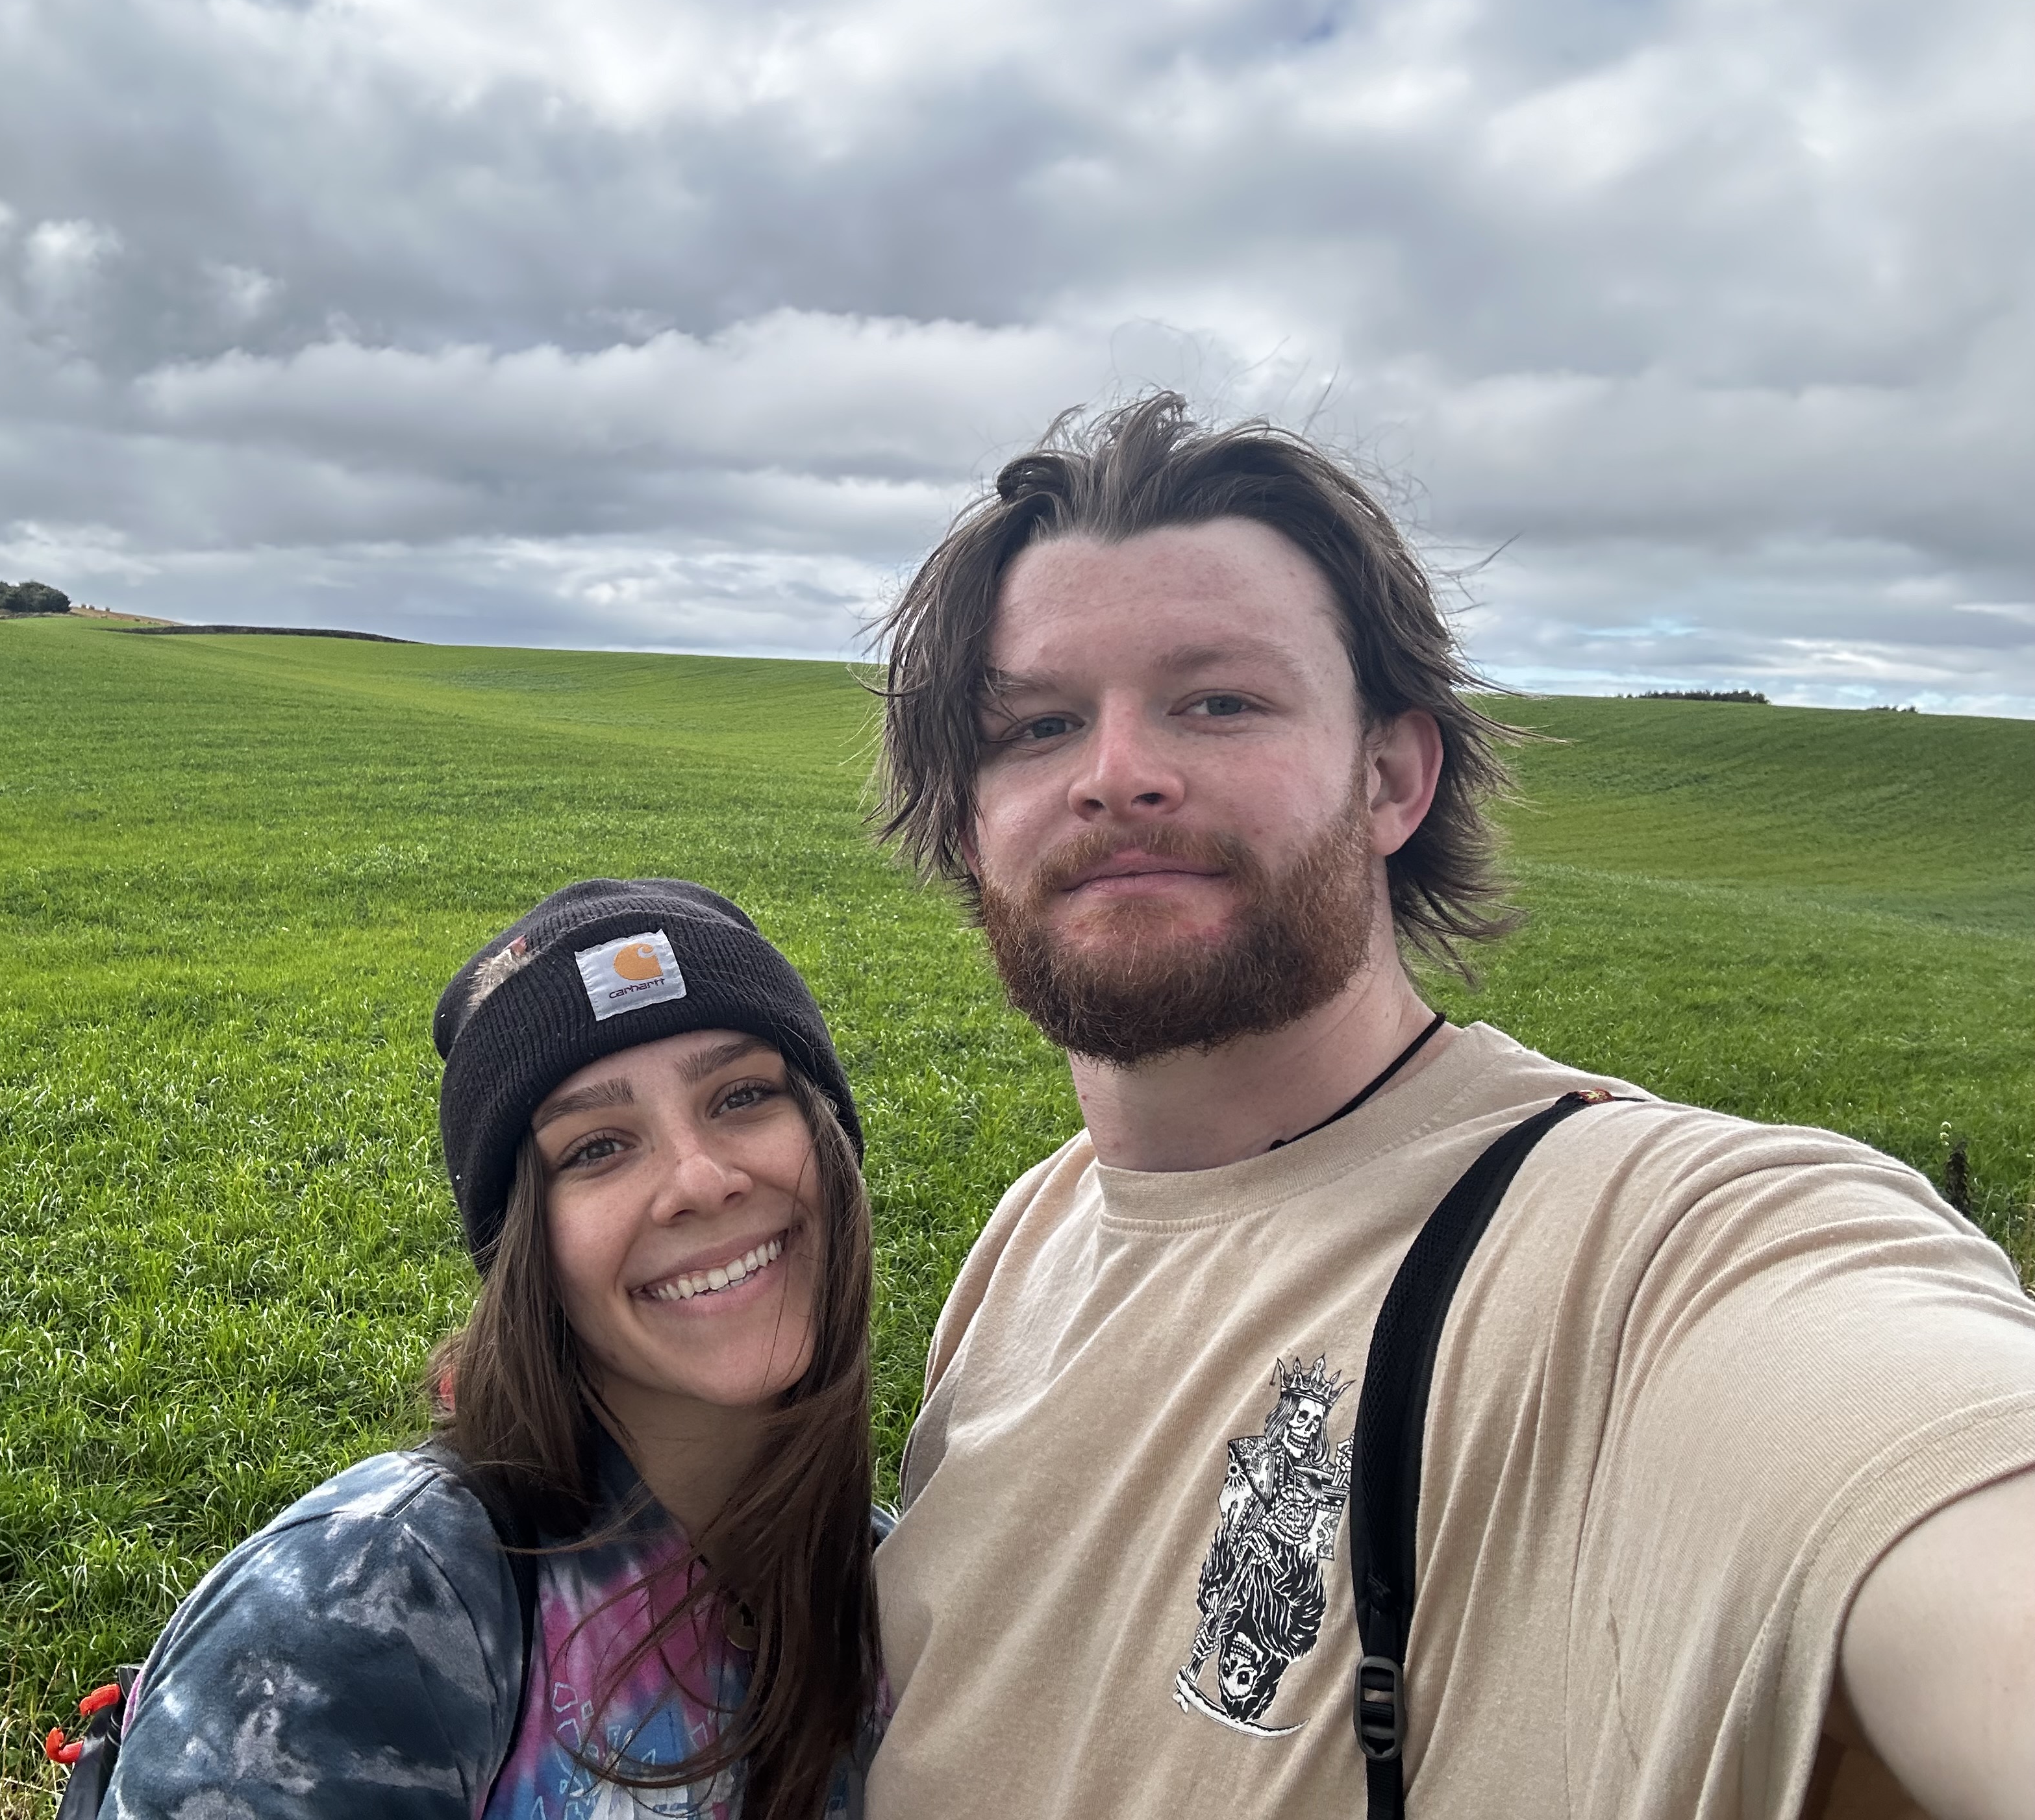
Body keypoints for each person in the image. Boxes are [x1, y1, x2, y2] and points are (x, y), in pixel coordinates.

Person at [862, 394, 2035, 1820]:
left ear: (1393, 778)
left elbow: (1931, 1456)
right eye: (1037, 725)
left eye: (1217, 700)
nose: (1118, 774)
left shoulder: (1649, 1248)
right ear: (972, 819)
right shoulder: (1030, 1234)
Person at [101, 879, 885, 1820]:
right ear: (524, 1249)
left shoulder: (889, 1572)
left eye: (744, 1095)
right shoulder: (374, 1601)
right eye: (597, 1147)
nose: (702, 1179)